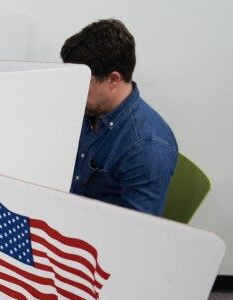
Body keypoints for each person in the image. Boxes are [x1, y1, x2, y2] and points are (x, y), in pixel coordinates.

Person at [60, 19, 177, 215]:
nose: (73, 92)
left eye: (82, 83)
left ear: (113, 79)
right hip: (67, 213)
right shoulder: (89, 109)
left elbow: (136, 233)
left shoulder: (147, 149)